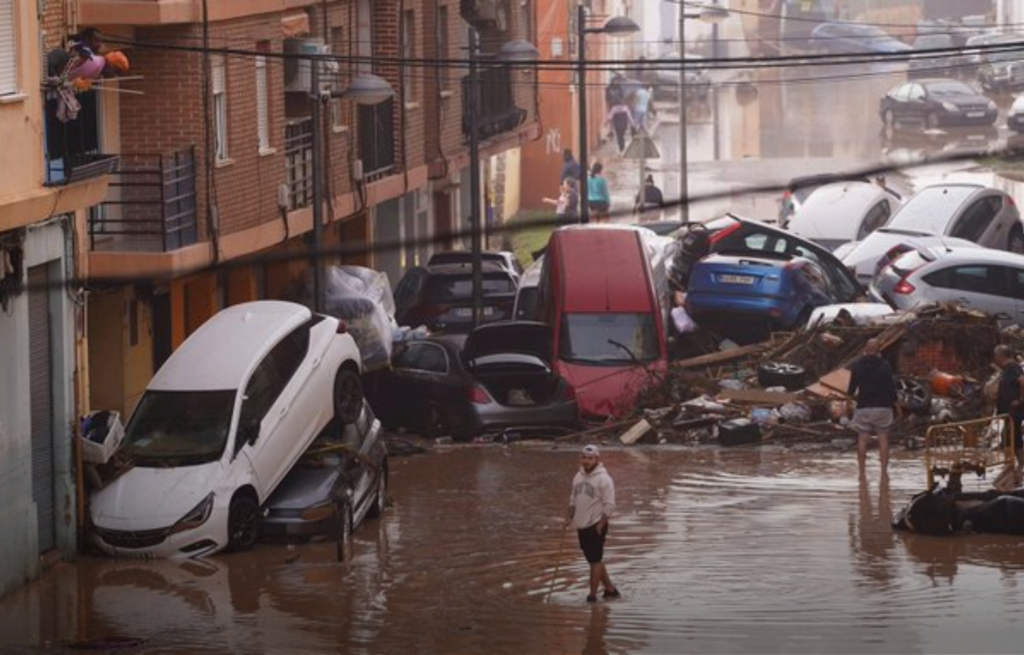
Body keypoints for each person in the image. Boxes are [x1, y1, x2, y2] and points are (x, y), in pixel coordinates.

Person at [564, 445, 620, 603]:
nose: (586, 461)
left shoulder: (604, 479)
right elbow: (572, 499)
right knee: (594, 559)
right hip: (581, 524)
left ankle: (592, 596)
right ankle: (610, 590)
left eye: (590, 458)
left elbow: (610, 505)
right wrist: (569, 517)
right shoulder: (577, 476)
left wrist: (600, 525)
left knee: (594, 561)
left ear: (597, 459)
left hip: (596, 524)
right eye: (584, 458)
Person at [847, 338, 898, 477]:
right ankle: (884, 472)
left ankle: (862, 472)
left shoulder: (857, 365)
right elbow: (891, 388)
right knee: (883, 438)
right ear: (878, 350)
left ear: (865, 348)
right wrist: (897, 405)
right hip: (883, 407)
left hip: (863, 406)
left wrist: (848, 403)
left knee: (862, 438)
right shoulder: (885, 365)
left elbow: (851, 388)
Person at [994, 344, 1024, 473]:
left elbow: (1022, 381)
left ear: (1000, 356)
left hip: (1014, 411)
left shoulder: (1012, 367)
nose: (995, 359)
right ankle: (1014, 466)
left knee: (1011, 437)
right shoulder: (1006, 369)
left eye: (996, 356)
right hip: (1008, 411)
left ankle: (1014, 466)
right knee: (1011, 437)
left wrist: (1020, 400)